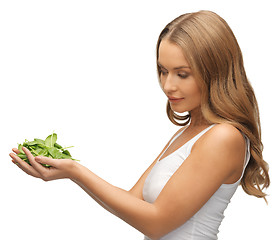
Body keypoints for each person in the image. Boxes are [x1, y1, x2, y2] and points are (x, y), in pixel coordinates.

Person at [10, 10, 270, 240]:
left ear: (215, 71)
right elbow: (133, 201)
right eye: (162, 70)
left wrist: (76, 171)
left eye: (182, 73)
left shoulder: (223, 137)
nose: (168, 85)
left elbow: (156, 223)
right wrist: (68, 173)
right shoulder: (187, 134)